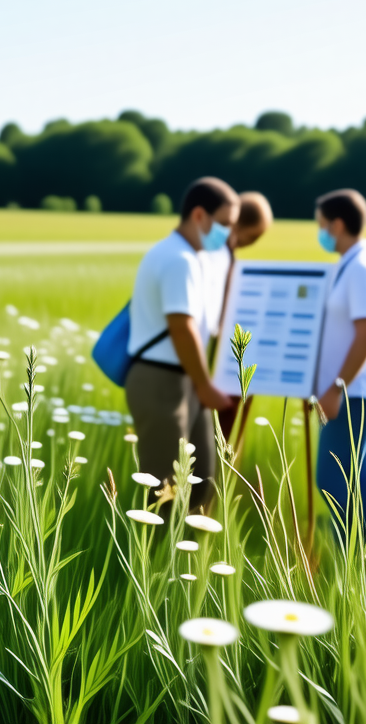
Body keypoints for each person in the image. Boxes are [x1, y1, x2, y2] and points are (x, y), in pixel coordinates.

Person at [125, 177, 238, 506]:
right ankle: (149, 557)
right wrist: (205, 384)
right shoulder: (180, 260)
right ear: (200, 215)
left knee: (201, 483)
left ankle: (183, 556)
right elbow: (182, 327)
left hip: (181, 378)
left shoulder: (189, 256)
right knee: (164, 494)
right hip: (162, 380)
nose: (230, 233)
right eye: (225, 223)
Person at [313, 189, 366, 556]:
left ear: (338, 224)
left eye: (320, 224)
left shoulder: (363, 268)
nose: (319, 232)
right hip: (351, 390)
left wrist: (336, 388)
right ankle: (362, 562)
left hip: (356, 391)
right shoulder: (351, 264)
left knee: (340, 476)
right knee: (348, 475)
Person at [207, 191, 274, 442]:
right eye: (255, 236)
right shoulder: (219, 258)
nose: (252, 242)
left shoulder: (212, 252)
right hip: (212, 370)